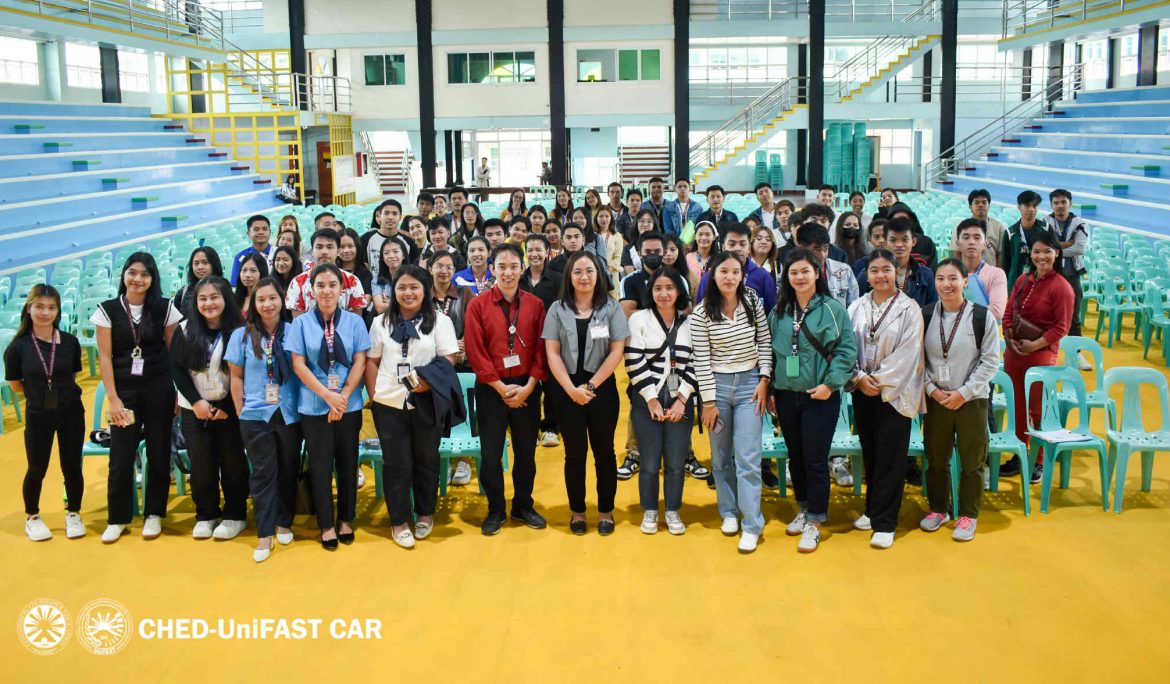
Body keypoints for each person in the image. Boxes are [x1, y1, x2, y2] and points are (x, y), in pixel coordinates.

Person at [366, 265, 461, 549]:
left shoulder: (440, 322)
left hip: (426, 401)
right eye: (402, 288)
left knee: (426, 460)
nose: (408, 293)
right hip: (388, 403)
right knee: (396, 463)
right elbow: (372, 362)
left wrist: (428, 383)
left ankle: (424, 513)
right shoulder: (380, 323)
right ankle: (398, 521)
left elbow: (449, 358)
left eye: (414, 287)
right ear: (393, 291)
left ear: (425, 290)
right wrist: (374, 396)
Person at [769, 249, 857, 553]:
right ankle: (804, 508)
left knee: (815, 459)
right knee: (795, 455)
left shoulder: (832, 309)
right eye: (793, 272)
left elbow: (846, 351)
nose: (799, 277)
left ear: (817, 273)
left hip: (820, 396)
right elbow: (771, 353)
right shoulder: (779, 311)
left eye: (805, 271)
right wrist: (772, 389)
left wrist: (830, 385)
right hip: (786, 395)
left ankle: (816, 521)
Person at [93, 253, 182, 543]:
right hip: (125, 394)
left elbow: (174, 354)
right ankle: (117, 518)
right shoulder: (107, 310)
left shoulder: (165, 308)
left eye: (144, 274)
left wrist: (177, 393)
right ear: (124, 275)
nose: (137, 279)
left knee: (159, 452)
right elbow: (104, 357)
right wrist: (113, 398)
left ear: (152, 279)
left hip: (159, 390)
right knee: (121, 456)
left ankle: (154, 513)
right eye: (132, 272)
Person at [464, 244, 549, 535]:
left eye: (514, 266)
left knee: (526, 453)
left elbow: (541, 349)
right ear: (492, 269)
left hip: (527, 387)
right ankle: (495, 509)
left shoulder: (535, 305)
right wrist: (500, 388)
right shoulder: (478, 305)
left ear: (522, 268)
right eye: (502, 266)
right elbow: (475, 351)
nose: (508, 272)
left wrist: (529, 386)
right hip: (491, 389)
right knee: (491, 453)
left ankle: (523, 505)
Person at [543, 251, 629, 535]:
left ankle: (605, 511)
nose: (584, 277)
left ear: (598, 275)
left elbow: (617, 351)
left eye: (589, 271)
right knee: (574, 454)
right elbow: (552, 353)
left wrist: (590, 386)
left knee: (605, 453)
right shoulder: (557, 309)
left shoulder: (611, 308)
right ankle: (577, 512)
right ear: (569, 276)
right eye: (578, 271)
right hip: (566, 390)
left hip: (601, 390)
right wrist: (571, 389)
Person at [287, 263, 371, 551]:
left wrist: (343, 395)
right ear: (311, 290)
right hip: (314, 405)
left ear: (341, 289)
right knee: (320, 466)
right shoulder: (300, 324)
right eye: (320, 285)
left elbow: (360, 360)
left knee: (348, 464)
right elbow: (298, 364)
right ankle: (326, 524)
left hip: (349, 404)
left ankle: (345, 519)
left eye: (332, 285)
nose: (326, 291)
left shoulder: (355, 323)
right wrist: (327, 396)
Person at [692, 252, 771, 552]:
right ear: (713, 275)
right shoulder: (701, 312)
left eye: (735, 272)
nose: (729, 277)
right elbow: (701, 360)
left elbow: (764, 341)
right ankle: (728, 511)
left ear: (742, 275)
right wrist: (708, 402)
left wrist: (764, 379)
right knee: (721, 457)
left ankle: (752, 524)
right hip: (717, 387)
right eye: (723, 271)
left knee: (748, 457)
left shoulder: (752, 301)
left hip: (750, 385)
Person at [847, 249, 925, 549]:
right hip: (862, 390)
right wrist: (858, 377)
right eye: (874, 270)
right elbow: (846, 347)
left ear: (897, 272)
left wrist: (877, 381)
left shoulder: (909, 309)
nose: (880, 275)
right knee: (871, 452)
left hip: (894, 393)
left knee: (891, 456)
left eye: (886, 270)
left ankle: (885, 522)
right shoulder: (857, 306)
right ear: (867, 275)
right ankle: (872, 509)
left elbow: (910, 353)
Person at [921, 259, 1001, 543]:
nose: (947, 284)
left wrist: (963, 393)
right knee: (936, 459)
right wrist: (932, 390)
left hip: (971, 400)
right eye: (941, 278)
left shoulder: (981, 316)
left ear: (965, 281)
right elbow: (918, 361)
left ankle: (968, 514)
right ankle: (938, 509)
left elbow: (990, 361)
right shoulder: (926, 315)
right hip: (937, 400)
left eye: (953, 278)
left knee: (972, 461)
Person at [227, 278, 302, 562]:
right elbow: (236, 377)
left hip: (289, 412)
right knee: (262, 472)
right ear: (253, 304)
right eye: (261, 299)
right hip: (256, 413)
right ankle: (264, 532)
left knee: (288, 469)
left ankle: (284, 521)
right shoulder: (241, 336)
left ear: (282, 300)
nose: (267, 304)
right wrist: (240, 411)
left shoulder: (294, 331)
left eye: (272, 298)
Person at [170, 276, 248, 541]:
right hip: (195, 409)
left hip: (230, 408)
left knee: (233, 462)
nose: (208, 303)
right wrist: (197, 402)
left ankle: (235, 514)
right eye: (202, 299)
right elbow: (177, 370)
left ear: (226, 299)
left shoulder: (240, 330)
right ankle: (206, 514)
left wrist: (225, 406)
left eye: (215, 297)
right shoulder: (184, 330)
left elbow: (245, 372)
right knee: (201, 463)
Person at [6, 285, 86, 541]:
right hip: (39, 414)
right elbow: (16, 385)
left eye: (51, 307)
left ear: (58, 311)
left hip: (71, 412)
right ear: (29, 309)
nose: (45, 312)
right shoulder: (17, 347)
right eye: (39, 307)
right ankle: (32, 517)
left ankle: (73, 513)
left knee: (72, 466)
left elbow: (72, 375)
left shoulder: (70, 342)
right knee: (36, 467)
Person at [625, 266, 696, 535]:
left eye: (669, 288)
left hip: (681, 399)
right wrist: (652, 400)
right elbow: (633, 360)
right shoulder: (639, 319)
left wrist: (682, 399)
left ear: (679, 291)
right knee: (649, 461)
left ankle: (673, 510)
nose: (663, 294)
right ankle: (650, 510)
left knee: (676, 461)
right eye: (658, 288)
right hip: (646, 399)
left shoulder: (690, 323)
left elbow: (697, 363)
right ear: (650, 291)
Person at [1000, 230, 1075, 484]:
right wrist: (1009, 336)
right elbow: (1008, 312)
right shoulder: (1023, 280)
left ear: (1057, 253)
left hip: (1041, 356)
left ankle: (1039, 460)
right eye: (1036, 251)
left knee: (1038, 410)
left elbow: (1061, 328)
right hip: (1015, 353)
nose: (1041, 256)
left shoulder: (1062, 287)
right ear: (1030, 253)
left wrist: (1034, 345)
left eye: (1047, 251)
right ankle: (1020, 452)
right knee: (1018, 407)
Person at [429, 251, 476, 486]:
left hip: (463, 361)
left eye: (449, 267)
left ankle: (464, 460)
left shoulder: (464, 293)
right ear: (430, 269)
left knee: (465, 410)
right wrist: (447, 348)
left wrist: (462, 344)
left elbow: (474, 323)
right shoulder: (424, 295)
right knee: (437, 413)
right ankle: (443, 460)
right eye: (439, 266)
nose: (444, 271)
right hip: (435, 363)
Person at [520, 233, 563, 449]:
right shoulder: (518, 279)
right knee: (527, 385)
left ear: (547, 252)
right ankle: (530, 428)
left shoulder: (558, 279)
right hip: (523, 342)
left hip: (550, 341)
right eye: (530, 250)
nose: (534, 254)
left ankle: (551, 428)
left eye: (539, 250)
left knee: (552, 386)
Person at [1044, 188, 1090, 370]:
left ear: (1070, 204)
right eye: (1056, 203)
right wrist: (1063, 246)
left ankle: (1076, 354)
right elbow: (1041, 245)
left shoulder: (1080, 224)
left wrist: (1054, 249)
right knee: (1046, 315)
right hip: (1050, 274)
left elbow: (1079, 248)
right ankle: (1047, 353)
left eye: (1063, 202)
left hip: (1072, 275)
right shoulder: (1045, 222)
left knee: (1074, 316)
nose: (1060, 206)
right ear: (1051, 205)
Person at [695, 223, 776, 314]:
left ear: (749, 248)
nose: (737, 248)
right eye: (732, 244)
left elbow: (771, 314)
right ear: (723, 247)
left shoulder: (763, 276)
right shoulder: (709, 277)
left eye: (742, 244)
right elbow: (699, 312)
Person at [857, 217, 937, 309]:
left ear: (913, 241)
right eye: (893, 240)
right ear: (885, 241)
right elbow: (860, 308)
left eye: (905, 240)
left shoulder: (925, 275)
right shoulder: (868, 274)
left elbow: (932, 310)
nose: (899, 245)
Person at [285, 228, 368, 316]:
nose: (324, 252)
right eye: (319, 247)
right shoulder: (298, 282)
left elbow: (356, 321)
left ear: (338, 251)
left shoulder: (352, 281)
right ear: (312, 251)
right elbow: (298, 322)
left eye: (330, 247)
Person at [955, 218, 1008, 320]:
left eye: (977, 237)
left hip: (985, 330)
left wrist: (956, 313)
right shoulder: (949, 274)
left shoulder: (996, 274)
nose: (971, 242)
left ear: (985, 244)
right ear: (958, 243)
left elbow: (996, 312)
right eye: (966, 237)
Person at [797, 222, 859, 309]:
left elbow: (854, 306)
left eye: (826, 249)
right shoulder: (793, 273)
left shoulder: (843, 270)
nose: (823, 255)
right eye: (816, 250)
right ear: (802, 248)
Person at [361, 199, 410, 284]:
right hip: (374, 286)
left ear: (400, 217)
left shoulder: (408, 242)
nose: (390, 217)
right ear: (380, 216)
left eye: (395, 214)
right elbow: (363, 266)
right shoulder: (366, 239)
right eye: (386, 213)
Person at [1004, 190, 1044, 291]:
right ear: (1019, 207)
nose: (1031, 209)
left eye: (1034, 206)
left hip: (1041, 281)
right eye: (1027, 205)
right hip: (1016, 283)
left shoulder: (1046, 229)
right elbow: (1006, 262)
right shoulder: (1010, 233)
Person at [962, 189, 1007, 266]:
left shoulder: (999, 227)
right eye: (976, 202)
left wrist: (998, 272)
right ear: (970, 207)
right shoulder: (962, 227)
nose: (981, 205)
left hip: (991, 271)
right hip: (967, 271)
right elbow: (956, 252)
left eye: (984, 202)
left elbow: (1001, 254)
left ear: (989, 206)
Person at [175, 247, 224, 314]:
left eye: (205, 262)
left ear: (214, 264)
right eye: (196, 263)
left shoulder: (224, 290)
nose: (200, 267)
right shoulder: (183, 292)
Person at [230, 215, 274, 286]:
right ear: (248, 233)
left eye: (264, 229)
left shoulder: (278, 253)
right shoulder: (240, 258)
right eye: (256, 229)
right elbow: (235, 285)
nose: (261, 232)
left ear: (270, 232)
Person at [371, 238, 407, 315]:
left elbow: (417, 304)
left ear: (403, 255)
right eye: (386, 253)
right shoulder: (377, 280)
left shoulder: (413, 277)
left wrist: (391, 303)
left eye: (395, 251)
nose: (391, 256)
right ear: (382, 258)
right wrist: (404, 304)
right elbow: (380, 308)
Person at [594, 202, 623, 294]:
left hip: (612, 273)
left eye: (607, 216)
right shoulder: (592, 235)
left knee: (613, 298)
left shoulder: (617, 236)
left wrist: (608, 269)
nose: (604, 219)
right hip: (595, 273)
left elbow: (617, 257)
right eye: (601, 216)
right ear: (596, 218)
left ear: (611, 218)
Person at [621, 209, 658, 275]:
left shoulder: (661, 246)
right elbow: (630, 275)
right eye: (642, 221)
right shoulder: (628, 249)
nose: (645, 224)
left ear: (654, 224)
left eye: (649, 221)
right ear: (636, 223)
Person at [686, 221, 719, 294]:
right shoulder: (687, 257)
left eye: (707, 234)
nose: (704, 238)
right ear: (695, 237)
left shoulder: (719, 258)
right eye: (700, 234)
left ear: (714, 237)